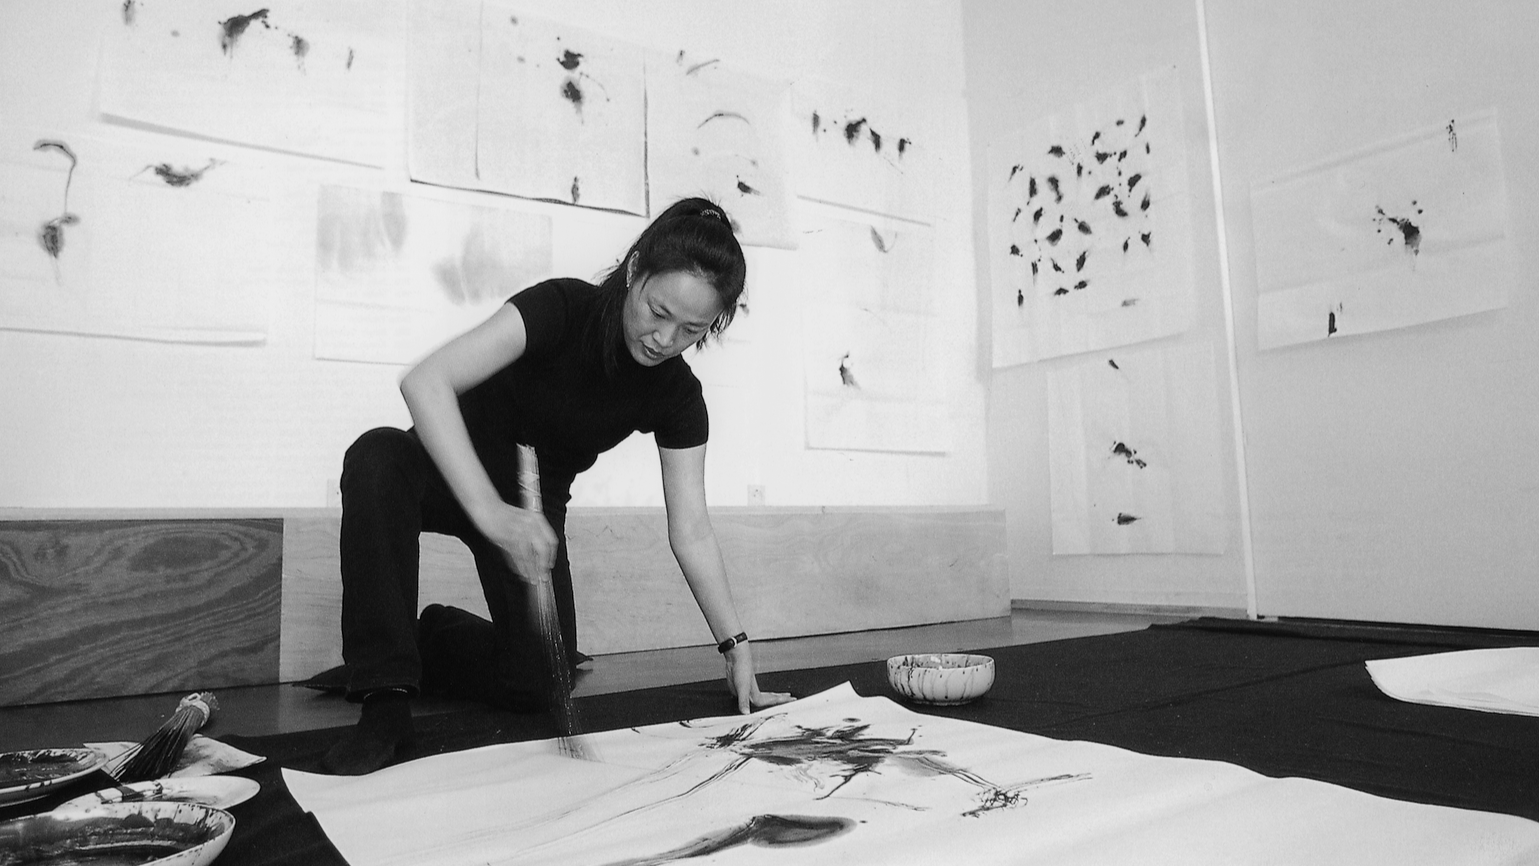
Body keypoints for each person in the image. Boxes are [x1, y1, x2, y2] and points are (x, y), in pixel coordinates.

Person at [323, 197, 794, 775]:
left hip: (531, 508)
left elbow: (691, 528)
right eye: (657, 310)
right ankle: (385, 696)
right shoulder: (564, 307)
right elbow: (426, 382)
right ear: (634, 270)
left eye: (691, 329)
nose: (663, 338)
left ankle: (427, 637)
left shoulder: (676, 395)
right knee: (375, 456)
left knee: (542, 682)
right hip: (444, 470)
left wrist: (735, 647)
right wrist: (490, 512)